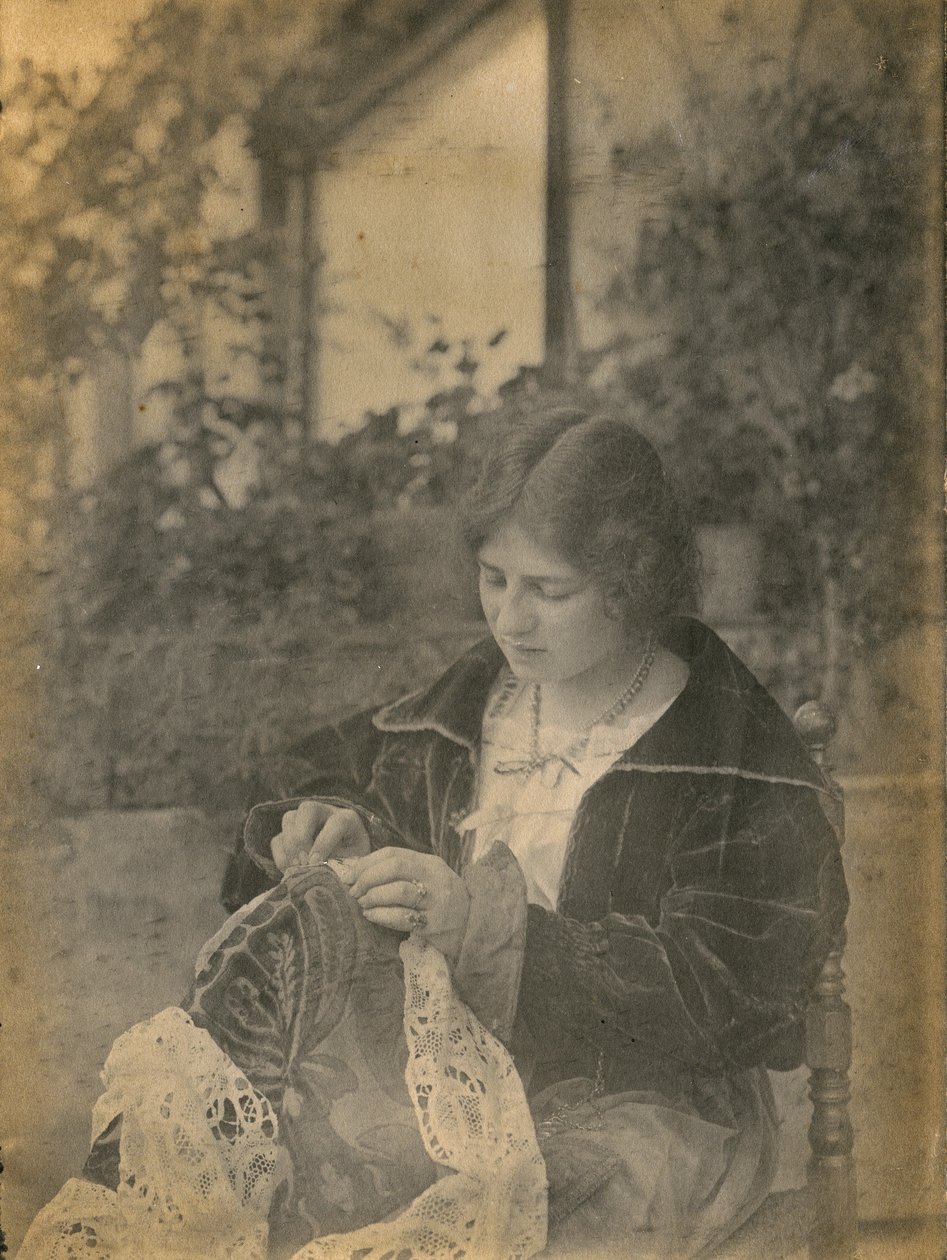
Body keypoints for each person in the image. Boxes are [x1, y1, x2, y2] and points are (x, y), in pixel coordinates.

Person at [21, 409, 847, 1260]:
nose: (510, 619)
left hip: (645, 1110)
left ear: (628, 582)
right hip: (434, 1080)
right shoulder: (469, 707)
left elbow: (728, 994)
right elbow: (346, 798)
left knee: (482, 1223)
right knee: (228, 1161)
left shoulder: (723, 751)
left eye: (547, 591)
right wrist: (348, 836)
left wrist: (482, 932)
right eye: (493, 579)